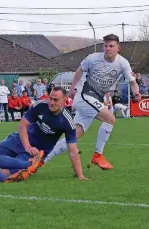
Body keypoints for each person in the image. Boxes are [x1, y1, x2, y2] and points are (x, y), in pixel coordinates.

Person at [44, 34, 141, 170]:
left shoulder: (123, 63)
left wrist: (136, 93)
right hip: (84, 96)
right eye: (105, 45)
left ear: (118, 48)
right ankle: (98, 155)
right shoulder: (93, 58)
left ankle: (42, 159)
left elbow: (132, 81)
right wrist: (72, 88)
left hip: (95, 99)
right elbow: (79, 71)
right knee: (110, 119)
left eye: (111, 46)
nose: (107, 48)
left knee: (74, 135)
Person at [0, 87, 88, 180]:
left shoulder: (67, 121)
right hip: (20, 140)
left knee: (5, 174)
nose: (51, 102)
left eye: (56, 100)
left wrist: (80, 176)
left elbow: (73, 150)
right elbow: (22, 125)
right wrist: (28, 146)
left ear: (64, 100)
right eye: (50, 98)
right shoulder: (40, 105)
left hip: (36, 154)